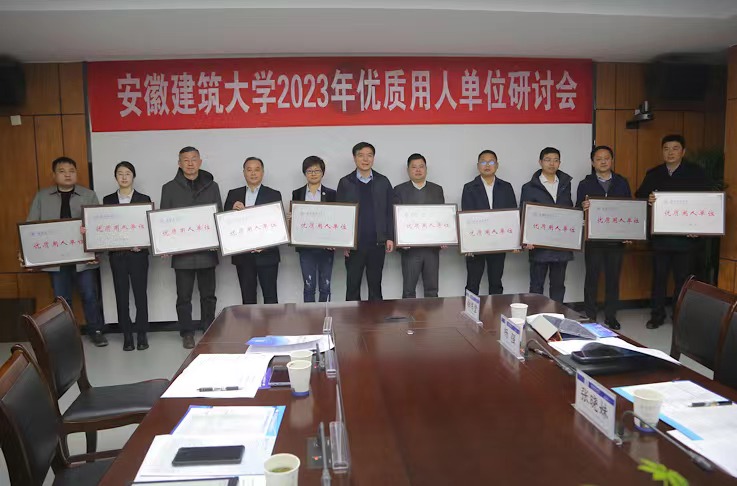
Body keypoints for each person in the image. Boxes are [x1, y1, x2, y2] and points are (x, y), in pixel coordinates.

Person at [25, 156, 108, 347]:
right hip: (56, 259)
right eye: (62, 171)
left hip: (84, 257)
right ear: (54, 175)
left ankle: (96, 331)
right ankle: (68, 336)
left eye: (71, 171)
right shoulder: (42, 197)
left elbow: (99, 226)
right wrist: (29, 256)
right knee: (62, 299)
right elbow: (31, 227)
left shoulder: (88, 195)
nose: (67, 175)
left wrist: (97, 253)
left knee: (89, 295)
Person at [635, 134, 713, 329]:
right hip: (661, 238)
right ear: (662, 151)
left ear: (683, 152)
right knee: (659, 279)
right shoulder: (653, 174)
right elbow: (640, 197)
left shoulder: (697, 173)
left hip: (687, 239)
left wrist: (699, 228)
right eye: (666, 149)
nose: (670, 152)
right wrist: (648, 200)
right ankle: (657, 315)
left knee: (683, 280)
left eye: (675, 148)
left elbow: (707, 202)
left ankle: (680, 317)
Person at [160, 146, 222, 349]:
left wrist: (218, 241)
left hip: (207, 252)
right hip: (182, 255)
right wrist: (163, 244)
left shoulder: (212, 186)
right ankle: (187, 333)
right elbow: (164, 220)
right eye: (185, 160)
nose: (190, 163)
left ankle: (208, 329)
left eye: (194, 159)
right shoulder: (169, 188)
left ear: (200, 162)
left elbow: (219, 215)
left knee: (208, 296)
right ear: (179, 164)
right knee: (183, 297)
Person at [576, 146, 632, 330]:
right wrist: (582, 206)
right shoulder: (585, 184)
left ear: (612, 161)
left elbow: (630, 209)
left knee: (613, 279)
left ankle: (611, 315)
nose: (603, 161)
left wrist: (629, 233)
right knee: (591, 278)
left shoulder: (622, 182)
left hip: (616, 241)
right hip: (594, 240)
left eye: (606, 158)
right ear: (593, 163)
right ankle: (590, 314)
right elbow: (576, 210)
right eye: (598, 159)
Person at [102, 161, 152, 351]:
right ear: (115, 177)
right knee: (121, 296)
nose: (124, 177)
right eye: (120, 173)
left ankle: (142, 334)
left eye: (128, 173)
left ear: (133, 176)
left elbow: (148, 226)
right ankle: (127, 335)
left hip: (138, 255)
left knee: (140, 296)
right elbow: (104, 228)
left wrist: (143, 243)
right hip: (118, 256)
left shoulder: (144, 198)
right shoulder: (108, 200)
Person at [336, 142, 394, 301]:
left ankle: (376, 317)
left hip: (377, 242)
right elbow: (339, 214)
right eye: (361, 155)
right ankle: (352, 317)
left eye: (369, 155)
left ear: (373, 158)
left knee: (375, 286)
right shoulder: (345, 182)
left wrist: (390, 237)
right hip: (354, 245)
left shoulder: (383, 181)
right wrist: (344, 242)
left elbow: (390, 211)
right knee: (352, 286)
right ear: (354, 158)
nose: (365, 159)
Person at [225, 157, 283, 305]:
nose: (253, 173)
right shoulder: (233, 194)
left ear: (263, 172)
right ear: (243, 172)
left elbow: (278, 225)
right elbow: (225, 224)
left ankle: (271, 322)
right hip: (243, 256)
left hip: (267, 255)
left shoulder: (274, 194)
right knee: (248, 299)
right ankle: (249, 322)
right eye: (249, 170)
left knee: (270, 297)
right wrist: (231, 211)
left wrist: (266, 245)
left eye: (257, 170)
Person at [520, 147, 574, 303]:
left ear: (559, 163)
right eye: (548, 160)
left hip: (561, 243)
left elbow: (569, 211)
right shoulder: (529, 187)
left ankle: (556, 315)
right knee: (536, 286)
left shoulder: (565, 184)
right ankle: (535, 315)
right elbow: (524, 214)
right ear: (540, 162)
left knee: (558, 285)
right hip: (538, 245)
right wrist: (526, 238)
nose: (552, 163)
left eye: (556, 160)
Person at [461, 149, 518, 295]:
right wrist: (467, 245)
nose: (487, 165)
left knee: (496, 282)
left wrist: (514, 242)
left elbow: (512, 215)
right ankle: (471, 310)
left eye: (491, 162)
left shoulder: (506, 187)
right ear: (478, 166)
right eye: (483, 162)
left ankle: (495, 310)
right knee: (472, 283)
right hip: (476, 243)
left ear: (497, 165)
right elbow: (467, 217)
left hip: (499, 242)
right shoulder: (469, 188)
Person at [393, 153, 445, 298]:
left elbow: (442, 216)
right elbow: (395, 218)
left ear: (426, 169)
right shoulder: (399, 190)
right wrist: (399, 241)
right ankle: (408, 314)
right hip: (409, 250)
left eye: (421, 166)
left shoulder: (437, 189)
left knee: (432, 289)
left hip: (432, 249)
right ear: (408, 170)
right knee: (409, 290)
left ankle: (433, 314)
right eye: (414, 167)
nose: (418, 170)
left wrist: (445, 237)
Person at [291, 156, 336, 302]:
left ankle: (325, 314)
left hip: (326, 246)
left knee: (325, 286)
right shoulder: (297, 193)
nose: (313, 174)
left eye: (317, 170)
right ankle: (309, 315)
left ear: (323, 173)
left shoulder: (332, 194)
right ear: (305, 173)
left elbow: (337, 218)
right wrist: (292, 218)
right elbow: (296, 218)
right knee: (308, 286)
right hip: (305, 247)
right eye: (310, 171)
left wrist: (336, 241)